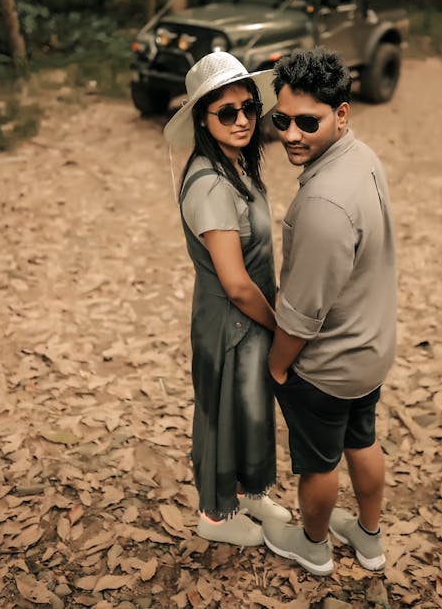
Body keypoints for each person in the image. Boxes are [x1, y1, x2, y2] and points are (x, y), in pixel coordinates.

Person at [263, 48, 396, 576]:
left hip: (328, 366)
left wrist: (277, 365)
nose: (291, 134)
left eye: (307, 122)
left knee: (319, 463)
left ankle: (313, 546)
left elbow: (301, 312)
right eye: (282, 120)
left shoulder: (323, 205)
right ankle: (369, 539)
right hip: (370, 349)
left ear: (341, 114)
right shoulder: (362, 156)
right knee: (362, 439)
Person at [163, 51, 292, 547]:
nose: (242, 120)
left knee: (254, 408)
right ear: (202, 118)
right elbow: (236, 283)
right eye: (226, 112)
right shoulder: (212, 185)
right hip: (232, 318)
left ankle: (252, 491)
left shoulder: (235, 163)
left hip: (252, 315)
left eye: (248, 108)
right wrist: (281, 324)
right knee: (224, 411)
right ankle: (215, 514)